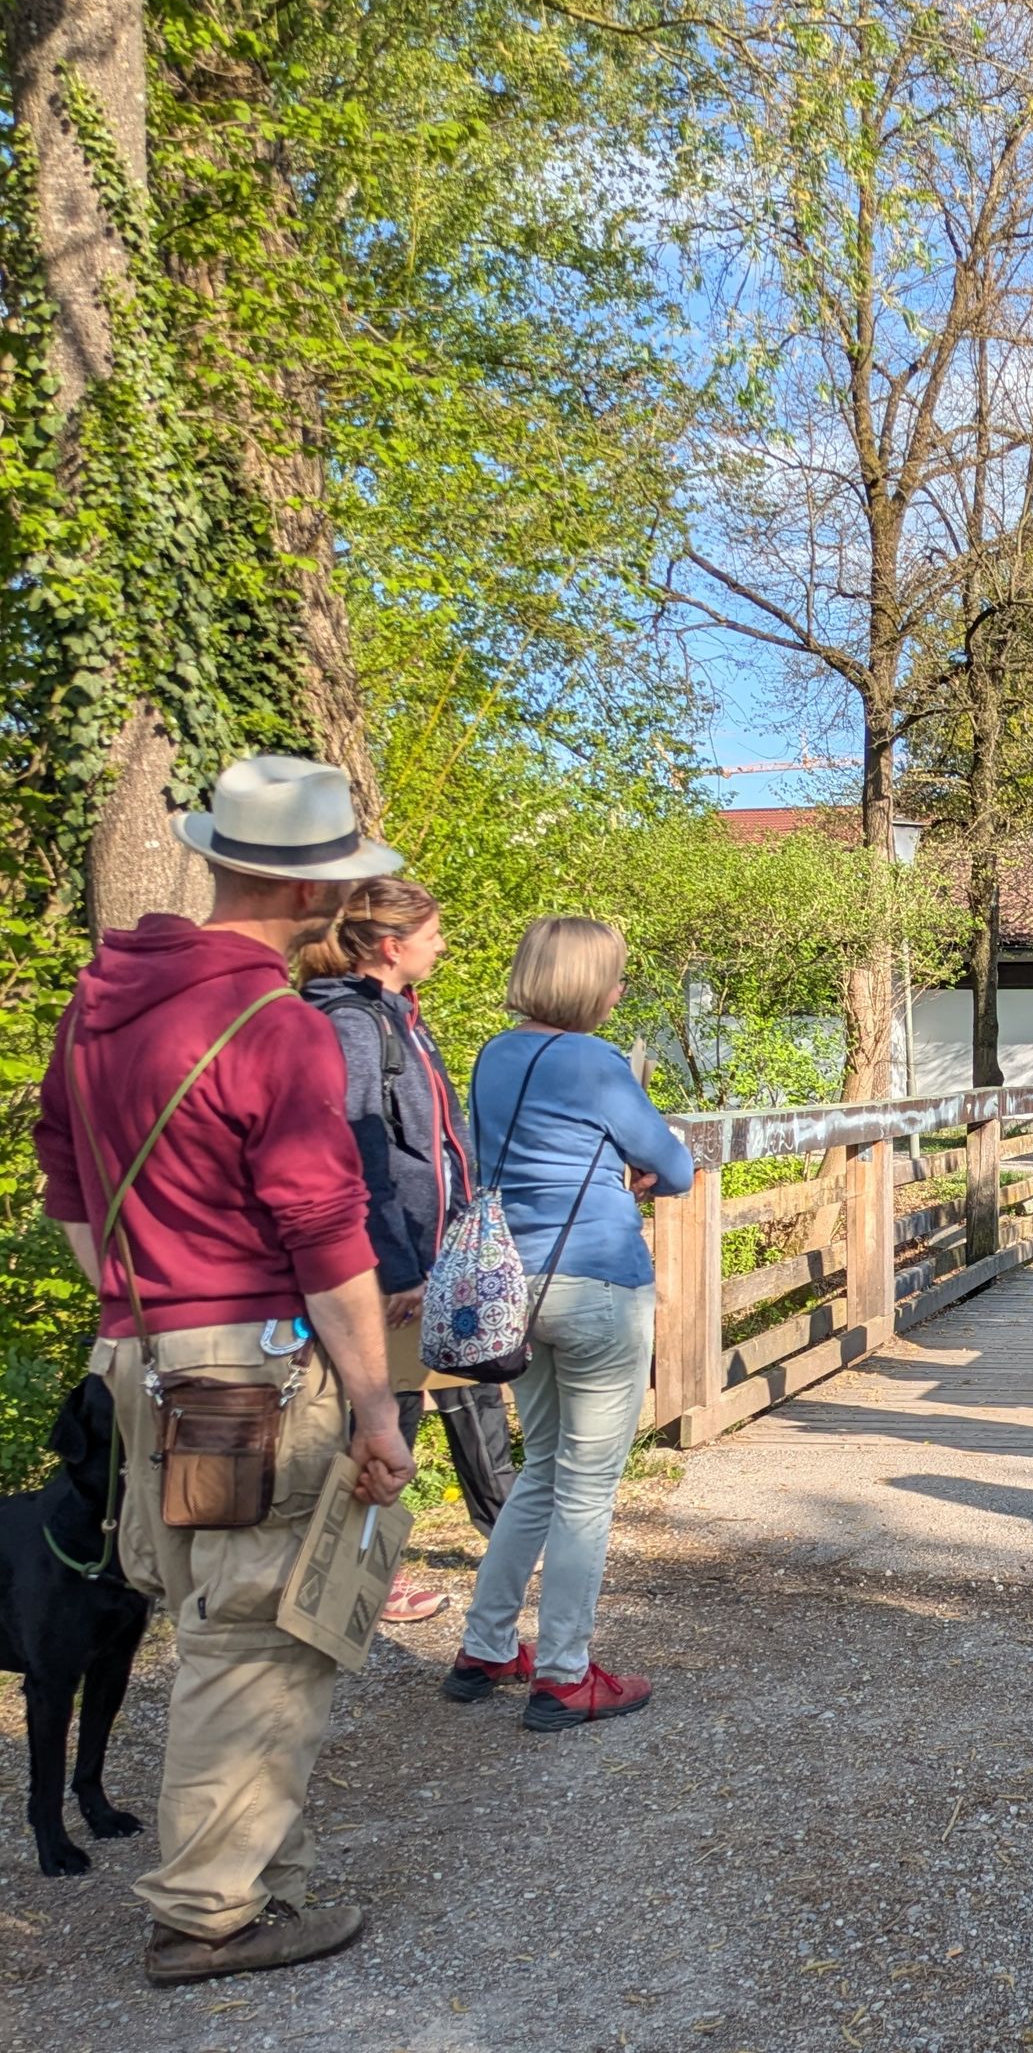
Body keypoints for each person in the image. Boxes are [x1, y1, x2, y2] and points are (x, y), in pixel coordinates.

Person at [34, 755, 415, 1986]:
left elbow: (65, 1178)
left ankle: (257, 1870)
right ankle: (207, 1912)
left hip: (143, 1353)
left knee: (216, 1610)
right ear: (311, 892)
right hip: (252, 1366)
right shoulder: (272, 1025)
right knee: (255, 1631)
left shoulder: (102, 1003)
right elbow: (325, 1233)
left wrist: (138, 1299)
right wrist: (375, 1405)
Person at [442, 916, 694, 1730]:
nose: (619, 990)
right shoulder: (595, 1061)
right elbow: (677, 1165)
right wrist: (643, 1169)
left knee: (543, 1467)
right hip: (598, 1283)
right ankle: (563, 1672)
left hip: (517, 1285)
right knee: (587, 1486)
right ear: (589, 986)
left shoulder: (493, 1055)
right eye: (614, 977)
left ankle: (485, 1644)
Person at [296, 878, 517, 1622]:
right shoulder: (353, 1024)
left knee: (467, 1386)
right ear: (393, 946)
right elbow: (360, 1154)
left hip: (435, 1251)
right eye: (433, 935)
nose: (442, 945)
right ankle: (349, 1581)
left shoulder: (399, 1016)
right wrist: (395, 1267)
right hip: (393, 1264)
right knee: (385, 1418)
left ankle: (511, 1531)